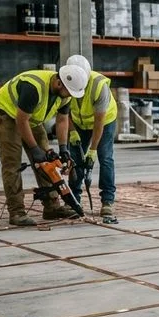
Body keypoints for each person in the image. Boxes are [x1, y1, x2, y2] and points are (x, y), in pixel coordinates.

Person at [0, 65, 89, 226]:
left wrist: (63, 148)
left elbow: (62, 120)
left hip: (32, 117)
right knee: (12, 163)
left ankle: (51, 207)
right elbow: (21, 121)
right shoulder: (33, 88)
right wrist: (35, 149)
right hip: (7, 114)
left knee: (48, 162)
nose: (70, 96)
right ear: (58, 83)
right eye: (69, 92)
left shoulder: (66, 92)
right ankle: (17, 212)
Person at [64, 55, 119, 221]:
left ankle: (107, 201)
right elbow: (63, 112)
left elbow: (99, 122)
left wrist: (92, 150)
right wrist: (72, 131)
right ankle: (73, 200)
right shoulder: (65, 82)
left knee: (105, 157)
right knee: (74, 159)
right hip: (78, 123)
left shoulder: (99, 86)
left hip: (104, 121)